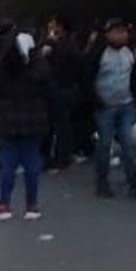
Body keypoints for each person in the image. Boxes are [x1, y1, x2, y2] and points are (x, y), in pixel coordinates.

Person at [0, 32, 53, 220]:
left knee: (8, 161)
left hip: (8, 117)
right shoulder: (39, 66)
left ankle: (4, 203)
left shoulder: (3, 66)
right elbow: (48, 89)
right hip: (34, 117)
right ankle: (31, 205)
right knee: (32, 161)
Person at [85, 19, 136, 198]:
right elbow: (88, 78)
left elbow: (135, 77)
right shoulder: (99, 54)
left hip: (126, 104)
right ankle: (102, 183)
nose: (121, 35)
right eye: (117, 32)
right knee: (104, 144)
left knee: (129, 142)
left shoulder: (129, 54)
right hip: (105, 106)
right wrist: (96, 100)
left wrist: (135, 97)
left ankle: (134, 180)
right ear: (108, 34)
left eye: (124, 32)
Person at [41, 17, 80, 171]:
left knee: (52, 124)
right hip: (68, 88)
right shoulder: (73, 45)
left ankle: (50, 157)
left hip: (55, 88)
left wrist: (49, 40)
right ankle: (63, 157)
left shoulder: (54, 45)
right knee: (64, 125)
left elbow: (41, 57)